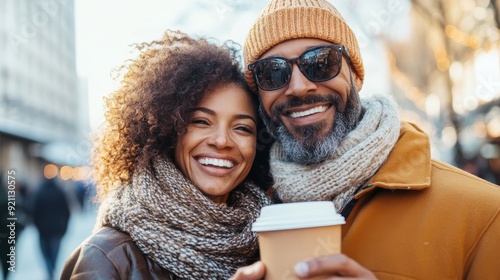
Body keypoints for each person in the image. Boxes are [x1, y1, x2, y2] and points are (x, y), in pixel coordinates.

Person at [230, 0, 500, 279]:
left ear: (356, 76)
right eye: (273, 72)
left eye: (321, 63)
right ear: (259, 97)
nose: (299, 87)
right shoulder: (244, 218)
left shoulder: (485, 215)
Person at [60, 30, 271, 279]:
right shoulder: (108, 257)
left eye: (242, 128)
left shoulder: (270, 241)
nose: (222, 141)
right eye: (201, 121)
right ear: (167, 131)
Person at [32, 177, 71, 280]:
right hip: (56, 229)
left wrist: (38, 226)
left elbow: (34, 211)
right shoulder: (60, 191)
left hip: (43, 230)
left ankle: (50, 271)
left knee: (45, 253)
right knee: (54, 254)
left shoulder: (39, 192)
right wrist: (64, 229)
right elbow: (67, 212)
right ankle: (51, 270)